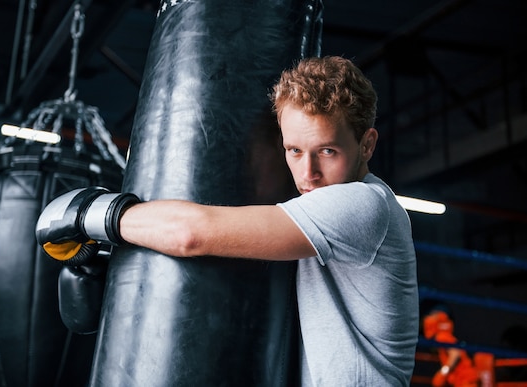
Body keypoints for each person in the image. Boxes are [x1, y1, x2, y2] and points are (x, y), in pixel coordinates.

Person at [36, 56, 420, 386]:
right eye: (294, 150)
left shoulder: (363, 205)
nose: (308, 173)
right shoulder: (312, 211)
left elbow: (191, 234)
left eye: (327, 151)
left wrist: (92, 212)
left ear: (367, 144)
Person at [422, 305, 480, 387]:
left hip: (465, 382)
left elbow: (455, 354)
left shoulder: (442, 336)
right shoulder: (445, 336)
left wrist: (443, 372)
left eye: (431, 315)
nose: (427, 318)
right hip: (463, 381)